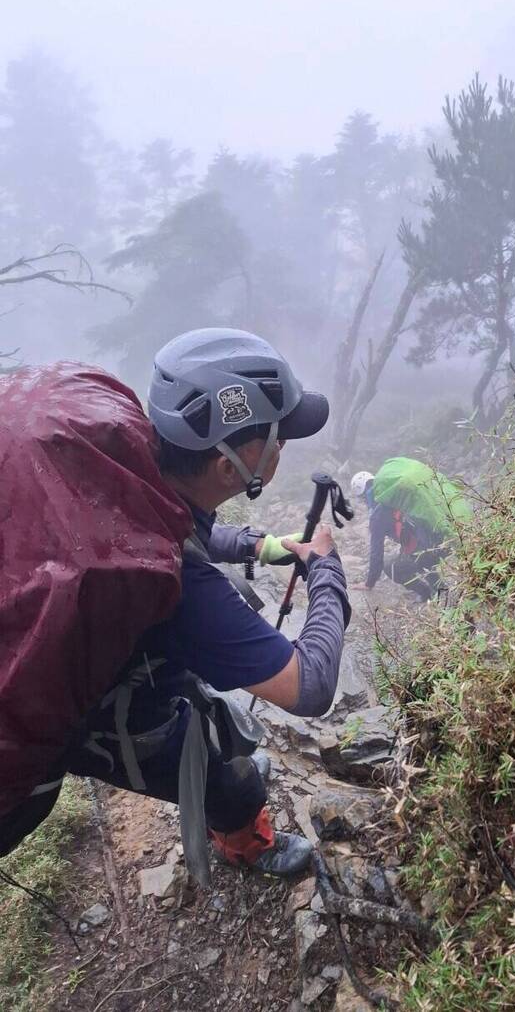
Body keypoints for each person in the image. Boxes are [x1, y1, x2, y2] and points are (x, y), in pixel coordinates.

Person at [0, 328, 350, 880]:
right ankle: (246, 844)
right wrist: (328, 572)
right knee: (229, 770)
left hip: (45, 642)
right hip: (67, 714)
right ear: (231, 464)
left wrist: (263, 546)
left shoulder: (118, 450)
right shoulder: (175, 583)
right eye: (279, 437)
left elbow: (172, 524)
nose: (285, 447)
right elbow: (308, 687)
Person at [350, 458, 470, 601]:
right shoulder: (400, 497)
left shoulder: (377, 516)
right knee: (417, 552)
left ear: (364, 496)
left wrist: (369, 583)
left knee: (391, 567)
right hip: (443, 539)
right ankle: (441, 590)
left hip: (427, 550)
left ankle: (431, 594)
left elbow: (377, 555)